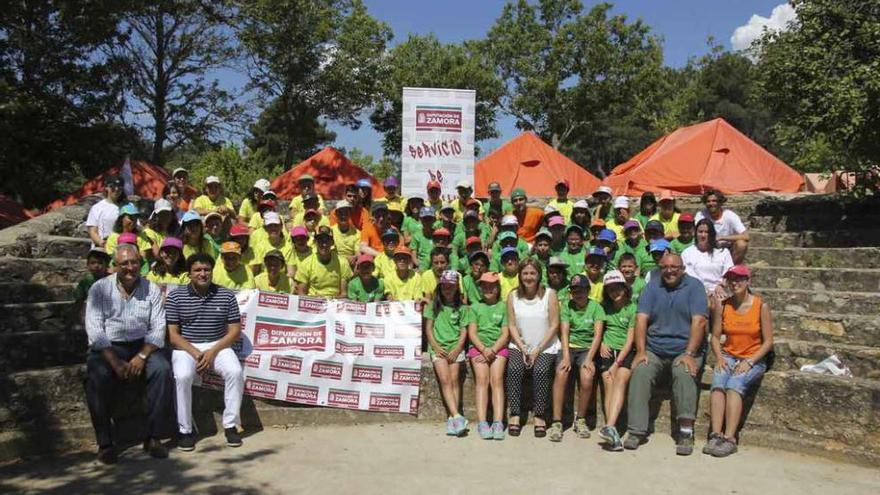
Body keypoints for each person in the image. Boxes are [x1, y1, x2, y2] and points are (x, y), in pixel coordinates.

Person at [84, 244, 173, 463]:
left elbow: (158, 328)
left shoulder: (151, 289)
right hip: (109, 347)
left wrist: (141, 357)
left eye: (134, 262)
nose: (130, 268)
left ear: (140, 264)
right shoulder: (99, 289)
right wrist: (115, 362)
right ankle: (105, 443)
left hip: (143, 346)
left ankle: (153, 437)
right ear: (115, 265)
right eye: (124, 263)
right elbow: (95, 329)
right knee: (95, 376)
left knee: (162, 370)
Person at [624, 252, 709, 456]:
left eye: (674, 268)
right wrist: (641, 351)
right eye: (664, 267)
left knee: (684, 371)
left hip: (685, 348)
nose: (669, 271)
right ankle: (636, 431)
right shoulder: (652, 286)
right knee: (641, 371)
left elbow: (699, 321)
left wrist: (690, 353)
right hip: (655, 348)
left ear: (683, 269)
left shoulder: (695, 287)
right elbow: (641, 319)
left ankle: (686, 432)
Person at [167, 253, 244, 451]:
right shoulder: (176, 296)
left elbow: (235, 330)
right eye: (197, 270)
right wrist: (195, 353)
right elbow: (173, 335)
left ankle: (230, 426)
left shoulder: (226, 295)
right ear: (189, 274)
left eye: (206, 269)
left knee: (235, 372)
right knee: (182, 376)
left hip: (218, 345)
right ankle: (185, 430)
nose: (203, 274)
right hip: (186, 346)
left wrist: (212, 352)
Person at [705, 265, 774, 458]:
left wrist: (750, 362)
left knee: (734, 385)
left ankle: (730, 438)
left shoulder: (761, 306)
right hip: (728, 355)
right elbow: (715, 337)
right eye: (731, 279)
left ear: (748, 281)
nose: (735, 283)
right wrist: (719, 357)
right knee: (718, 384)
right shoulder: (724, 305)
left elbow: (768, 342)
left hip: (753, 358)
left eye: (739, 279)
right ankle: (715, 434)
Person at [505, 258, 560, 438]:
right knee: (514, 368)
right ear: (520, 275)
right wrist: (522, 348)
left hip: (545, 345)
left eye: (532, 273)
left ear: (539, 275)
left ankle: (539, 415)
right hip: (519, 344)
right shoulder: (512, 296)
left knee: (541, 370)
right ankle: (514, 413)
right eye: (525, 273)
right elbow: (511, 325)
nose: (529, 277)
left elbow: (554, 325)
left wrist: (537, 349)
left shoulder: (549, 295)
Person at [548, 274, 605, 442]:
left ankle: (580, 419)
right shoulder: (567, 306)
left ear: (588, 290)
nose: (577, 294)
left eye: (581, 290)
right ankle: (557, 421)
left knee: (587, 377)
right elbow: (564, 333)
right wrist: (565, 357)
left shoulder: (596, 308)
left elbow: (597, 336)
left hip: (587, 349)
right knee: (561, 373)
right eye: (574, 290)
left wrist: (589, 359)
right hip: (569, 347)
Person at [424, 270, 472, 436]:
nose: (448, 290)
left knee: (454, 381)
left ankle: (453, 418)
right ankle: (457, 415)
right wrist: (436, 347)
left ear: (457, 287)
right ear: (440, 287)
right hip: (439, 349)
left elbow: (464, 330)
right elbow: (428, 328)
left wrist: (458, 348)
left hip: (455, 348)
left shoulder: (462, 308)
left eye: (451, 287)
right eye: (445, 287)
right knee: (445, 380)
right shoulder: (433, 306)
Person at [596, 270, 637, 451]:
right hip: (607, 349)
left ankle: (610, 427)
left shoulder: (633, 308)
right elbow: (599, 331)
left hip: (625, 352)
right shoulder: (604, 307)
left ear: (624, 287)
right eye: (610, 289)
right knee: (608, 382)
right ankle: (610, 426)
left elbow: (630, 341)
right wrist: (601, 344)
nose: (614, 292)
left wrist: (617, 363)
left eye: (617, 288)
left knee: (620, 379)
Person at [467, 272, 510, 440]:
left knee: (497, 380)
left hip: (498, 348)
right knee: (482, 380)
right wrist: (484, 349)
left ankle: (498, 422)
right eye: (484, 285)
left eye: (492, 285)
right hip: (479, 348)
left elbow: (505, 333)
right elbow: (472, 332)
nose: (488, 288)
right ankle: (483, 422)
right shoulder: (475, 307)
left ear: (498, 287)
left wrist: (492, 350)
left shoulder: (504, 307)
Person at [682, 219, 734, 305]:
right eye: (700, 232)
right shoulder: (687, 253)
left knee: (719, 303)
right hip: (697, 291)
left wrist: (721, 285)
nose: (703, 235)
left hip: (721, 290)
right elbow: (689, 275)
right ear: (695, 233)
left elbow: (729, 272)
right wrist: (705, 291)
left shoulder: (723, 252)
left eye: (706, 232)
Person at [695, 188, 749, 264]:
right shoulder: (701, 215)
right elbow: (695, 233)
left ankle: (731, 269)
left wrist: (722, 238)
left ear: (720, 202)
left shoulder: (730, 216)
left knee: (742, 244)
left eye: (714, 201)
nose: (711, 203)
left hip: (727, 248)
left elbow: (746, 236)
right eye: (708, 201)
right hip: (708, 246)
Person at [295, 226, 352, 297]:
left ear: (332, 242)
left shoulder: (343, 262)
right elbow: (301, 293)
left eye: (327, 240)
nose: (324, 244)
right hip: (313, 301)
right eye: (320, 240)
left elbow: (344, 293)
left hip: (334, 302)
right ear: (315, 242)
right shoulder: (306, 264)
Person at [86, 175, 124, 248]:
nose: (116, 189)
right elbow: (93, 231)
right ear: (106, 187)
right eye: (112, 187)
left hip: (121, 249)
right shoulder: (97, 208)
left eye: (119, 188)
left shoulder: (126, 207)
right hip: (102, 248)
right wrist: (102, 244)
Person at [73, 247, 111, 321]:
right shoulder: (86, 281)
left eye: (100, 263)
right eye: (93, 263)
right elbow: (79, 302)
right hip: (95, 315)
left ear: (106, 265)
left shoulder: (112, 279)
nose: (96, 266)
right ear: (88, 265)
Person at [331, 200, 361, 266]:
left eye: (346, 213)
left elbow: (357, 252)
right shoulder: (331, 231)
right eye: (340, 213)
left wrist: (355, 257)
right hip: (334, 263)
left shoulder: (357, 233)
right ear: (336, 214)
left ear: (350, 214)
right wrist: (344, 259)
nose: (343, 216)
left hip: (350, 264)